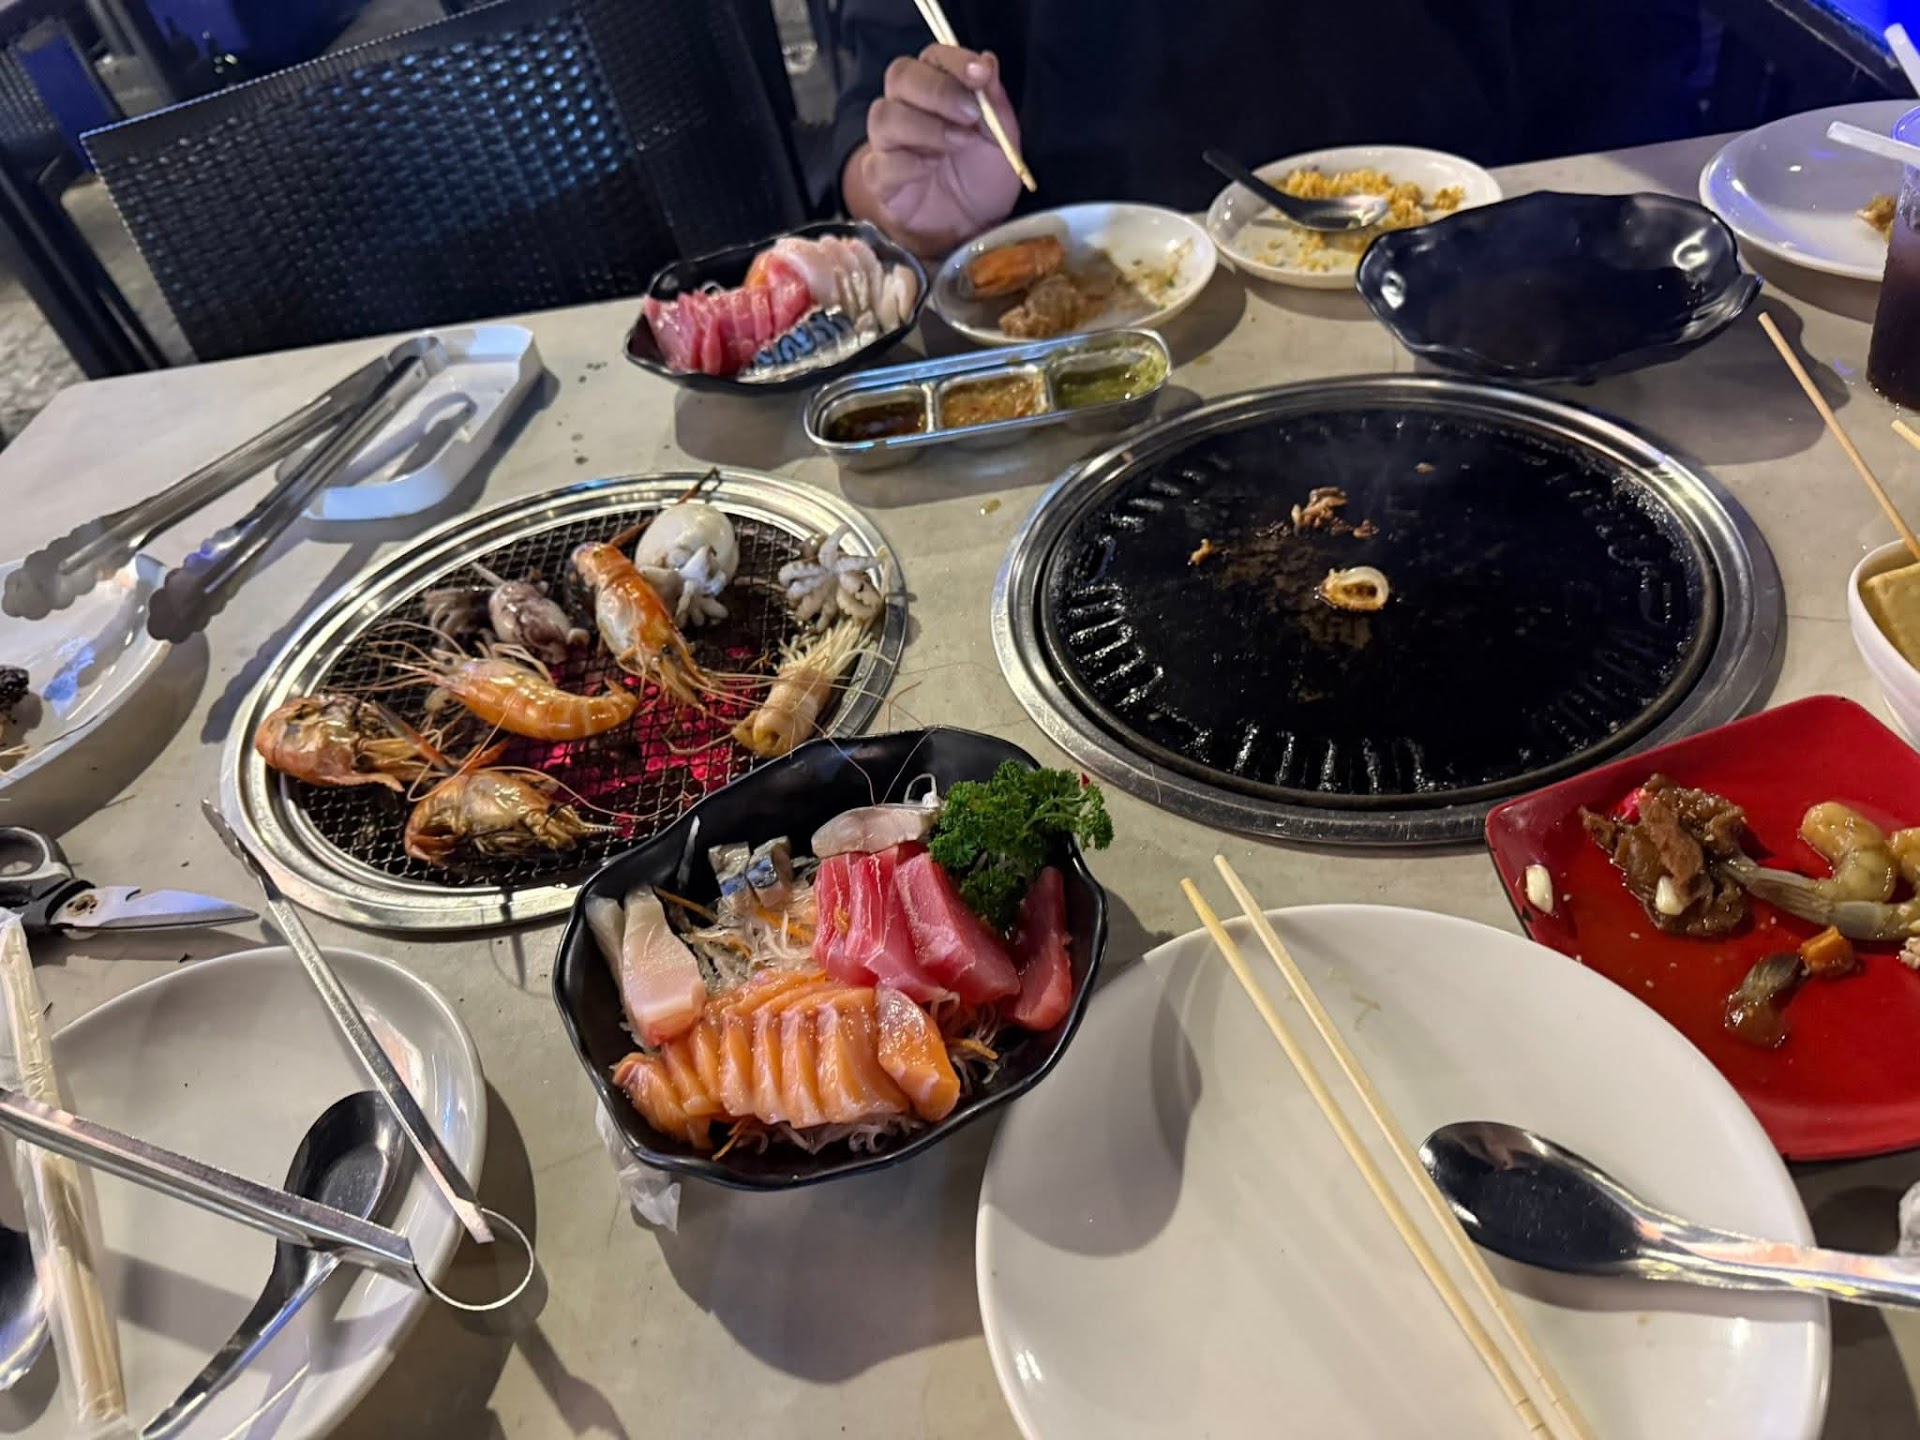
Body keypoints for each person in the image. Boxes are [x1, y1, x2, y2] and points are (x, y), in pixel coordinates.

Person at [831, 1, 1713, 257]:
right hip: (1111, 308)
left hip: (1479, 278)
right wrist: (920, 197)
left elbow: (1632, 103)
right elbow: (871, 153)